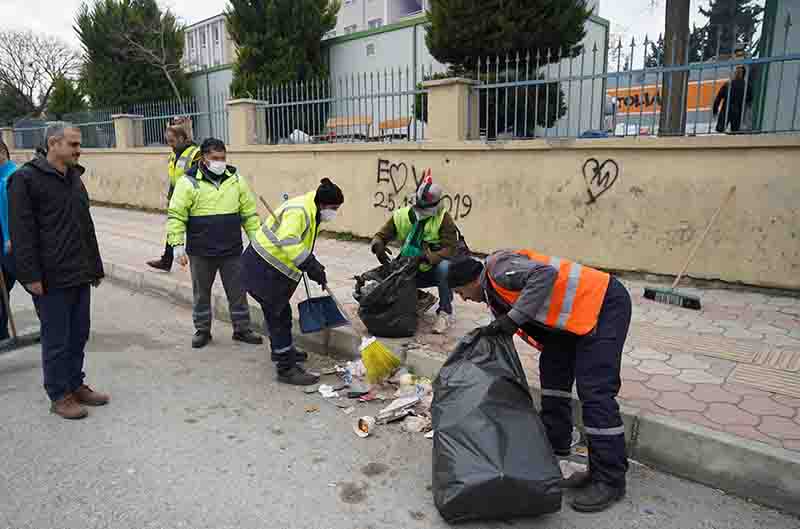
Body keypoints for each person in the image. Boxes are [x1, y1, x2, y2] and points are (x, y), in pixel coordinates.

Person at [446, 250, 632, 513]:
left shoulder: (500, 269)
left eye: (459, 291)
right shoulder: (493, 292)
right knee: (553, 373)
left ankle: (610, 480)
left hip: (601, 304)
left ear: (471, 281)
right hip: (568, 325)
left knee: (596, 392)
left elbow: (545, 275)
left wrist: (511, 320)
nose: (463, 297)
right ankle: (555, 448)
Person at [9, 123, 108, 420]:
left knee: (79, 333)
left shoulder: (75, 178)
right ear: (54, 143)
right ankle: (59, 394)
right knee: (57, 338)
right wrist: (30, 277)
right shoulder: (25, 179)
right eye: (74, 145)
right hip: (50, 277)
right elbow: (22, 232)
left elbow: (85, 227)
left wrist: (96, 266)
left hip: (79, 271)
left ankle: (75, 384)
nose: (79, 150)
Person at [242, 178, 344, 386]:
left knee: (276, 313)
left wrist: (313, 267)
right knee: (280, 316)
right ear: (323, 204)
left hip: (267, 268)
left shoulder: (310, 207)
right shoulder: (300, 211)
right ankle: (285, 367)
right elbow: (289, 240)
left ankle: (282, 350)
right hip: (263, 269)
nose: (334, 212)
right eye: (334, 208)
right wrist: (311, 264)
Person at [167, 137, 264, 349]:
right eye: (215, 158)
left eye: (223, 158)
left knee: (238, 292)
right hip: (201, 251)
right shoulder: (189, 181)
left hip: (232, 249)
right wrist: (176, 244)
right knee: (201, 293)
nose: (220, 162)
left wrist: (257, 240)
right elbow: (176, 214)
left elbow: (248, 212)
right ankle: (202, 330)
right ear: (203, 158)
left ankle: (242, 329)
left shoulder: (236, 179)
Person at [369, 176, 460, 334]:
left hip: (431, 268)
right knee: (388, 278)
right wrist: (378, 245)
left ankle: (445, 312)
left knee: (445, 268)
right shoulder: (401, 216)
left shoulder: (443, 219)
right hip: (410, 266)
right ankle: (415, 299)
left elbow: (451, 248)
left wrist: (428, 257)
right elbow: (380, 235)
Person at [147, 125, 201, 272]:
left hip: (193, 200)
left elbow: (199, 178)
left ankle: (203, 264)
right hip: (178, 199)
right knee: (174, 229)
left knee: (197, 232)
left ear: (182, 138)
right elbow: (174, 179)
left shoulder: (196, 154)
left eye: (172, 141)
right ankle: (166, 260)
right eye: (168, 141)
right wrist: (171, 198)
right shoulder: (174, 154)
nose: (169, 144)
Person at [0, 140, 17, 339]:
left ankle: (53, 327)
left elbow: (11, 214)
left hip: (13, 242)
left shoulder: (13, 177)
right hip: (4, 241)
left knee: (35, 288)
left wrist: (9, 238)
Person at [713, 66, 752, 134]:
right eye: (736, 72)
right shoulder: (747, 86)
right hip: (737, 111)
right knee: (735, 131)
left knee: (720, 130)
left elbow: (718, 98)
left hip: (726, 110)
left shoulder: (728, 84)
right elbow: (749, 100)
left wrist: (715, 110)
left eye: (737, 72)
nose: (736, 73)